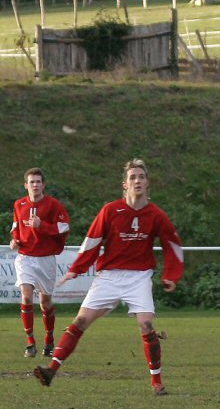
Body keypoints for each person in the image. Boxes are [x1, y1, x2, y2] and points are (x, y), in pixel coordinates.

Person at [33, 159, 184, 396]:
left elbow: (172, 244)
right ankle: (51, 370)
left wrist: (172, 275)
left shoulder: (156, 215)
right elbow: (92, 241)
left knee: (146, 324)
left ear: (148, 183)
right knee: (80, 321)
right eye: (132, 177)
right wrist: (77, 268)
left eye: (141, 177)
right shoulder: (111, 210)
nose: (137, 181)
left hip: (139, 277)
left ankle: (157, 382)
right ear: (124, 184)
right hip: (109, 277)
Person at [10, 168, 71, 358]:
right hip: (25, 257)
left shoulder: (53, 205)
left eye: (38, 181)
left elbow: (64, 226)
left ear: (43, 185)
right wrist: (14, 240)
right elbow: (15, 227)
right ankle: (30, 342)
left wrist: (42, 226)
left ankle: (49, 340)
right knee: (26, 297)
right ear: (26, 185)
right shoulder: (19, 204)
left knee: (45, 303)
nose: (35, 185)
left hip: (45, 259)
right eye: (31, 182)